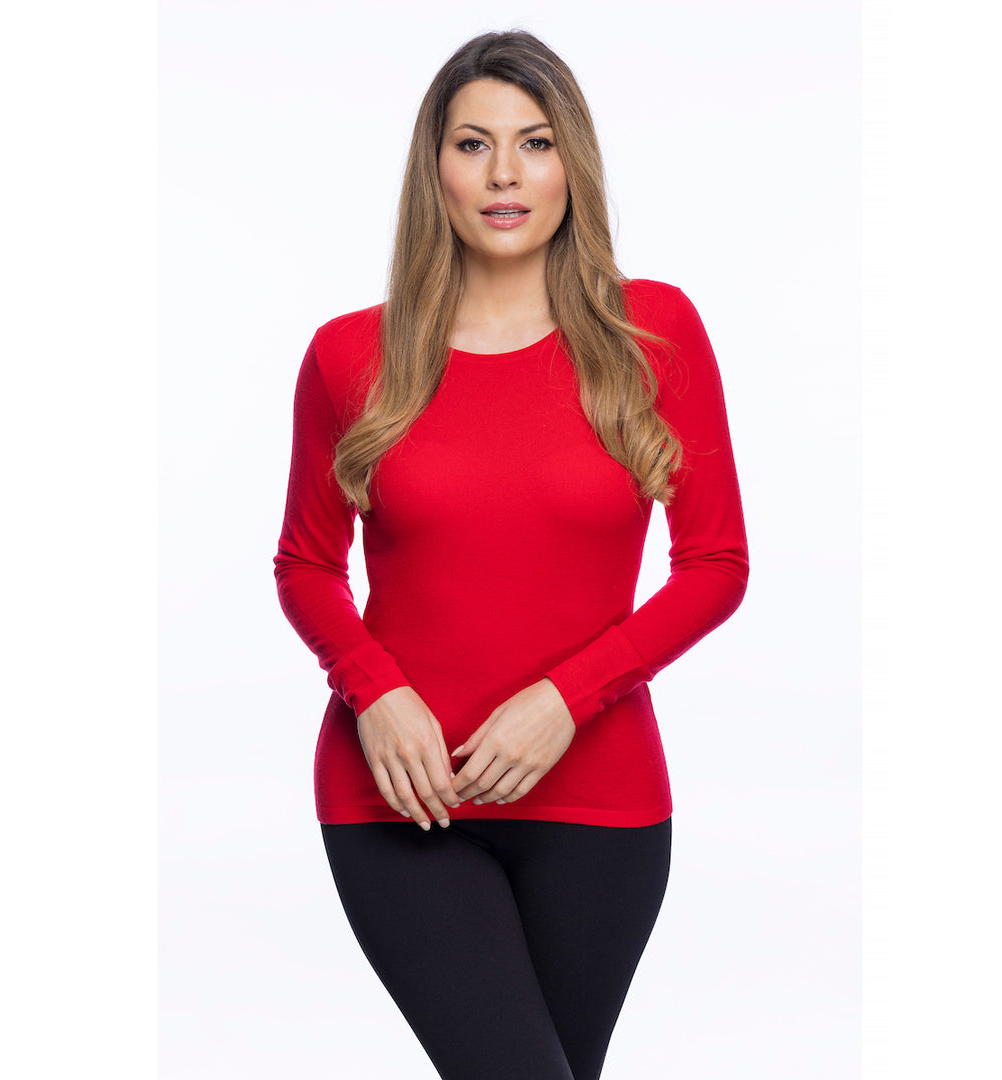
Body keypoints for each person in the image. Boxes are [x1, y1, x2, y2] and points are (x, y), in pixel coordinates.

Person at [273, 28, 748, 1080]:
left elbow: (715, 563)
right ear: (434, 166)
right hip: (403, 797)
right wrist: (374, 690)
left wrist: (567, 698)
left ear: (571, 163)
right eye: (472, 143)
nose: (503, 174)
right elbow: (305, 563)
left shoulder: (652, 333)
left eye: (534, 143)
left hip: (601, 804)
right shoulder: (350, 354)